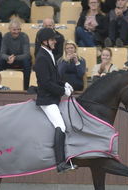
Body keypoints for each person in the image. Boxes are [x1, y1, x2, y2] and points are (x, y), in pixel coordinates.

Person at [34, 28, 76, 173]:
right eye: (52, 39)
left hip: (53, 98)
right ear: (45, 41)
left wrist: (64, 84)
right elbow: (45, 83)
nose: (55, 41)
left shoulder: (49, 54)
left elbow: (55, 77)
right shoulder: (41, 57)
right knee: (61, 126)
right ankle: (60, 163)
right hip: (47, 100)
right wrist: (62, 91)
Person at [0, 19, 31, 90]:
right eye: (14, 30)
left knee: (27, 61)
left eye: (19, 29)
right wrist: (8, 57)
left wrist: (14, 58)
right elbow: (2, 53)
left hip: (20, 60)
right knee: (0, 60)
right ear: (9, 29)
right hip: (9, 60)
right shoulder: (6, 36)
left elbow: (26, 54)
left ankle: (26, 87)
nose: (17, 32)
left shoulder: (24, 36)